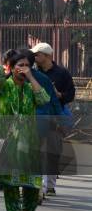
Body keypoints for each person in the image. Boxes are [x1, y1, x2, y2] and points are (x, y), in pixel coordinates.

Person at [0, 50, 49, 211]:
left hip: (28, 140)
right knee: (10, 183)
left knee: (32, 181)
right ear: (12, 67)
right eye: (20, 65)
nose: (24, 68)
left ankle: (28, 209)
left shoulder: (31, 88)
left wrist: (31, 77)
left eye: (27, 65)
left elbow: (44, 99)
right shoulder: (3, 86)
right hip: (8, 140)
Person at [32, 42, 75, 197]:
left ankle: (49, 185)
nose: (34, 57)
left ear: (47, 55)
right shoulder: (32, 72)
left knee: (52, 152)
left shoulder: (62, 73)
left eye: (37, 54)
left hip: (55, 118)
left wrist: (59, 95)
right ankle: (36, 187)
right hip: (36, 117)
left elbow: (71, 94)